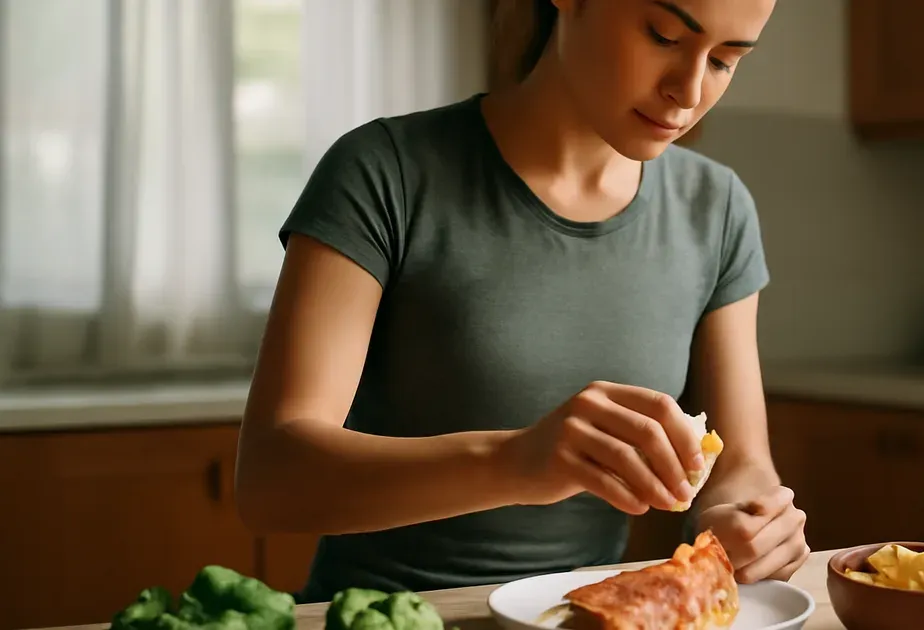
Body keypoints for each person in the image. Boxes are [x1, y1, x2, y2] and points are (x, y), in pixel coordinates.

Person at [234, 0, 808, 603]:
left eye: (723, 61)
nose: (688, 92)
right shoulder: (383, 172)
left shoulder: (716, 208)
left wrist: (749, 522)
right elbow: (271, 481)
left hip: (576, 617)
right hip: (380, 615)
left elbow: (741, 467)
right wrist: (515, 461)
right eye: (663, 36)